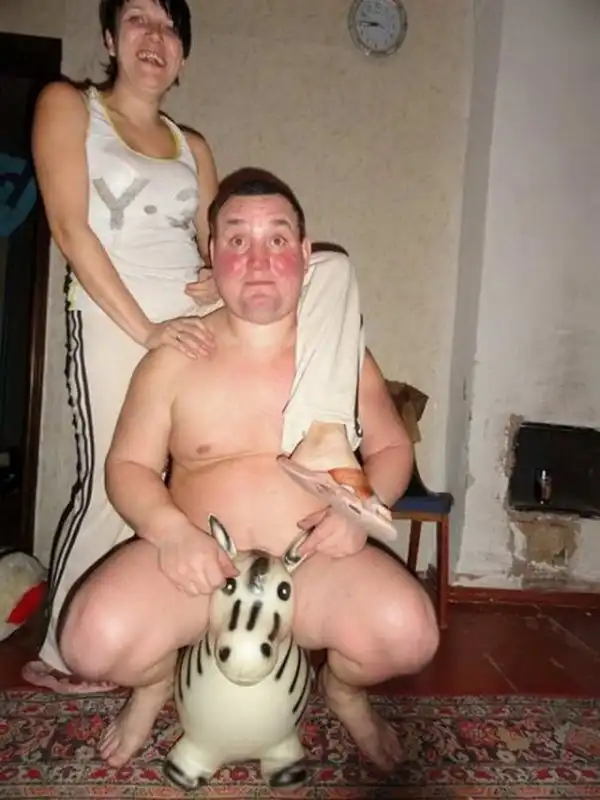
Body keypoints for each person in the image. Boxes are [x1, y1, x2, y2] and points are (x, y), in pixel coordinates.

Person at [22, 0, 395, 694]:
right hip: (117, 315)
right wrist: (147, 329)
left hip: (190, 316)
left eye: (170, 28)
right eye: (138, 20)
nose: (154, 37)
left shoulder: (190, 144)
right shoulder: (69, 106)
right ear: (110, 38)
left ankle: (321, 435)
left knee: (330, 268)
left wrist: (211, 284)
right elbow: (71, 229)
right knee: (115, 478)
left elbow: (218, 241)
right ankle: (63, 646)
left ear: (183, 56)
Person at [58, 169, 440, 773]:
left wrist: (358, 515)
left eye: (277, 239)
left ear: (305, 255)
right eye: (237, 239)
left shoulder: (339, 351)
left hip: (311, 565)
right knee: (89, 640)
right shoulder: (174, 358)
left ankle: (343, 691)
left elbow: (393, 449)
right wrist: (170, 532)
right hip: (202, 569)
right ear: (213, 254)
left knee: (409, 633)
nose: (258, 259)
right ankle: (154, 684)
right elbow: (127, 465)